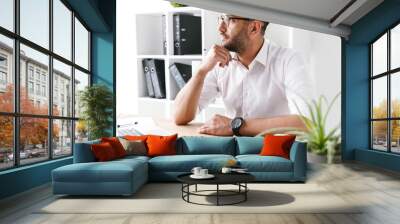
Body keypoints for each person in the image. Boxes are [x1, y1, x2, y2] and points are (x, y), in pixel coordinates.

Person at [173, 14, 314, 136]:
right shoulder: (218, 61)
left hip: (274, 157)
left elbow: (307, 123)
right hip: (231, 158)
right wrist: (201, 72)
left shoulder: (289, 60)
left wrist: (235, 126)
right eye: (221, 18)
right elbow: (179, 117)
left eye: (230, 20)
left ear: (254, 28)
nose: (220, 28)